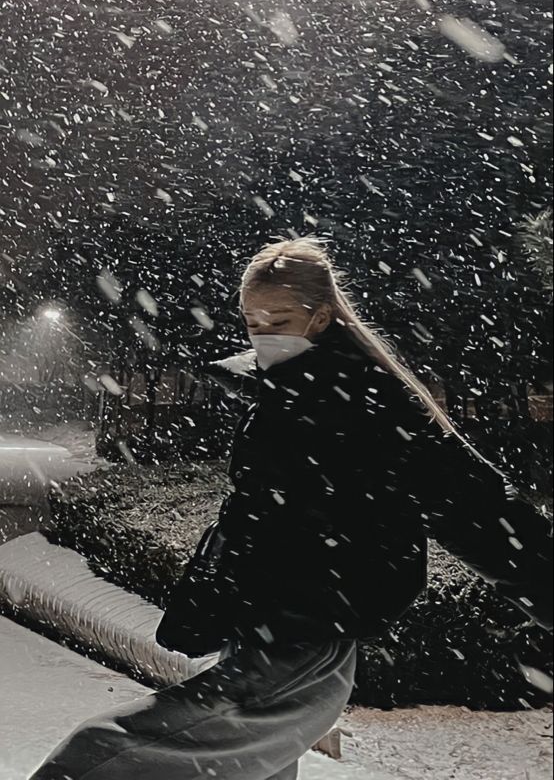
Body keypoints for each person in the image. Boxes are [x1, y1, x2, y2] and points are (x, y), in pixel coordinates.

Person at [32, 238, 553, 780]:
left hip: (300, 650)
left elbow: (478, 508)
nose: (264, 335)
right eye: (253, 322)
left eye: (279, 319)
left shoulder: (369, 403)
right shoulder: (282, 393)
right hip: (258, 636)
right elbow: (254, 517)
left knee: (95, 754)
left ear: (321, 316)